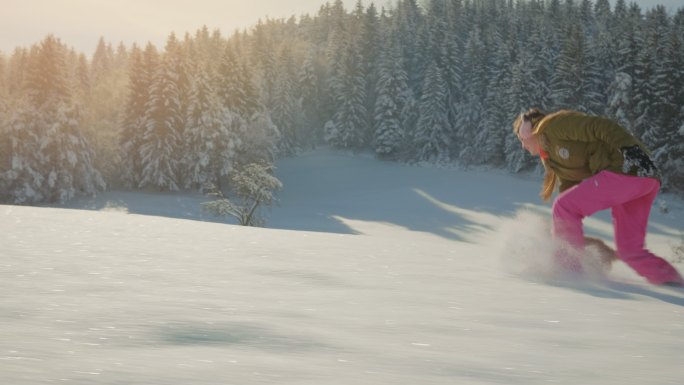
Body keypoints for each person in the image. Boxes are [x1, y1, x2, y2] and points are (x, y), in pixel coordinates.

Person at [512, 108, 683, 286]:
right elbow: (569, 191)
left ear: (530, 131)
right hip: (641, 181)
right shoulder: (552, 158)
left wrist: (629, 149)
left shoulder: (554, 126)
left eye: (522, 139)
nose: (523, 145)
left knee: (564, 206)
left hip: (628, 168)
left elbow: (600, 126)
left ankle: (567, 271)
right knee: (629, 250)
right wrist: (561, 230)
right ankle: (671, 281)